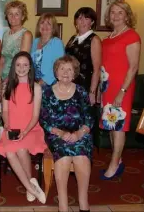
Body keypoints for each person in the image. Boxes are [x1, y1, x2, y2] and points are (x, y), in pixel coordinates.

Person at [40, 55, 93, 212]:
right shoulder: (47, 92)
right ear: (56, 72)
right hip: (56, 135)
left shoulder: (82, 92)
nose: (65, 72)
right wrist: (61, 133)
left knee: (81, 155)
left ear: (74, 73)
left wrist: (78, 134)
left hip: (80, 134)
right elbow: (44, 121)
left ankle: (83, 202)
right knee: (63, 156)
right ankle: (62, 204)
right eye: (62, 69)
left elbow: (89, 119)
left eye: (69, 69)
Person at [0, 51, 46, 204]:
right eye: (18, 65)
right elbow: (4, 111)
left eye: (25, 65)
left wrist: (25, 131)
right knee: (10, 153)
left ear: (30, 67)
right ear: (14, 67)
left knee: (22, 149)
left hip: (31, 129)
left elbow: (35, 116)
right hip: (12, 129)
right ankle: (31, 187)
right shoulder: (7, 85)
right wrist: (7, 124)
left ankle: (29, 185)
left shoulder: (36, 87)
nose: (21, 68)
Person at [99, 0, 141, 180]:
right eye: (113, 12)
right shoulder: (108, 37)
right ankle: (119, 160)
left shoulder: (132, 36)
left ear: (127, 16)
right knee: (110, 125)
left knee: (118, 126)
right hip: (107, 86)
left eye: (120, 12)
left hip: (121, 87)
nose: (115, 16)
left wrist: (122, 91)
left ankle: (114, 164)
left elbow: (133, 67)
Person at [65, 7, 101, 105]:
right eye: (80, 18)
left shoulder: (94, 40)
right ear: (75, 21)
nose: (82, 21)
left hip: (85, 85)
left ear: (92, 22)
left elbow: (97, 69)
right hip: (70, 84)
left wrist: (92, 92)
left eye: (86, 18)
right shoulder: (73, 39)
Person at [0, 0, 32, 82]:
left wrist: (9, 80)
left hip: (18, 78)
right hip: (4, 77)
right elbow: (2, 59)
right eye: (10, 14)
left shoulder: (26, 34)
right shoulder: (5, 34)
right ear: (7, 16)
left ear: (23, 16)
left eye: (17, 14)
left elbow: (22, 62)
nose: (13, 17)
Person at [31, 13, 65, 86]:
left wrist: (43, 82)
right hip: (34, 83)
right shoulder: (35, 42)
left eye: (49, 24)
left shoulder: (57, 42)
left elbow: (59, 65)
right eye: (42, 23)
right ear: (38, 26)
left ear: (53, 28)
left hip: (51, 84)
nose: (45, 26)